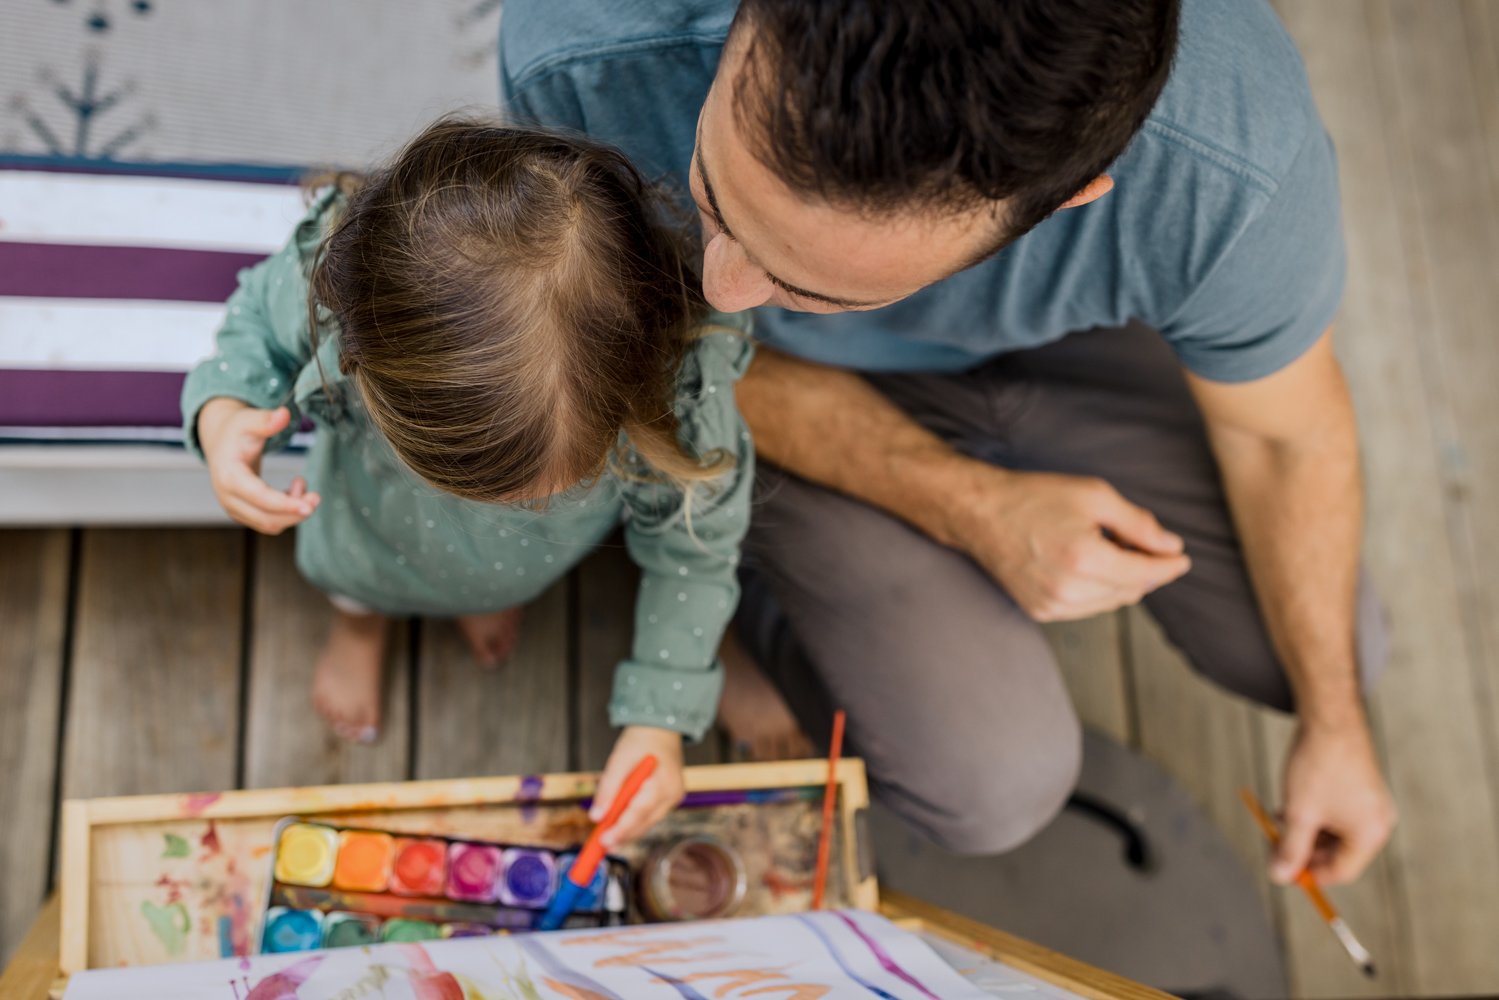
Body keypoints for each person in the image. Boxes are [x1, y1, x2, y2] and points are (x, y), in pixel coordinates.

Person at [499, 0, 1397, 886]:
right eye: (710, 193)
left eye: (808, 282)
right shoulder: (580, 47)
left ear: (1067, 198)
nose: (721, 287)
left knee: (1331, 653)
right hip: (759, 393)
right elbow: (657, 351)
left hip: (1073, 352)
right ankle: (745, 597)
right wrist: (969, 505)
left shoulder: (1234, 161)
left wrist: (1336, 728)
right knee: (988, 787)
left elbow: (1284, 441)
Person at [182, 117, 754, 845]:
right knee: (355, 585)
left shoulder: (678, 397)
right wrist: (224, 417)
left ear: (634, 393)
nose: (496, 507)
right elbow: (249, 333)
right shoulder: (335, 297)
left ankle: (479, 599)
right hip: (368, 531)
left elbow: (695, 552)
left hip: (525, 566)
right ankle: (360, 626)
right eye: (468, 482)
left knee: (496, 570)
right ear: (365, 354)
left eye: (540, 491)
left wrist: (659, 722)